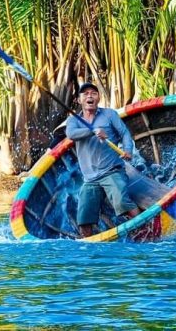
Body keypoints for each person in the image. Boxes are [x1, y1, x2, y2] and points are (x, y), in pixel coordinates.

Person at [65, 82, 141, 238]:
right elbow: (72, 134)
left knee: (122, 203)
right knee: (84, 220)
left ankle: (147, 231)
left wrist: (128, 150)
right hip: (90, 178)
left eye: (93, 93)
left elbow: (125, 134)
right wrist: (92, 131)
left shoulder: (109, 115)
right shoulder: (74, 120)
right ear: (79, 100)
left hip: (112, 171)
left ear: (98, 97)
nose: (89, 96)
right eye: (85, 94)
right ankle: (90, 251)